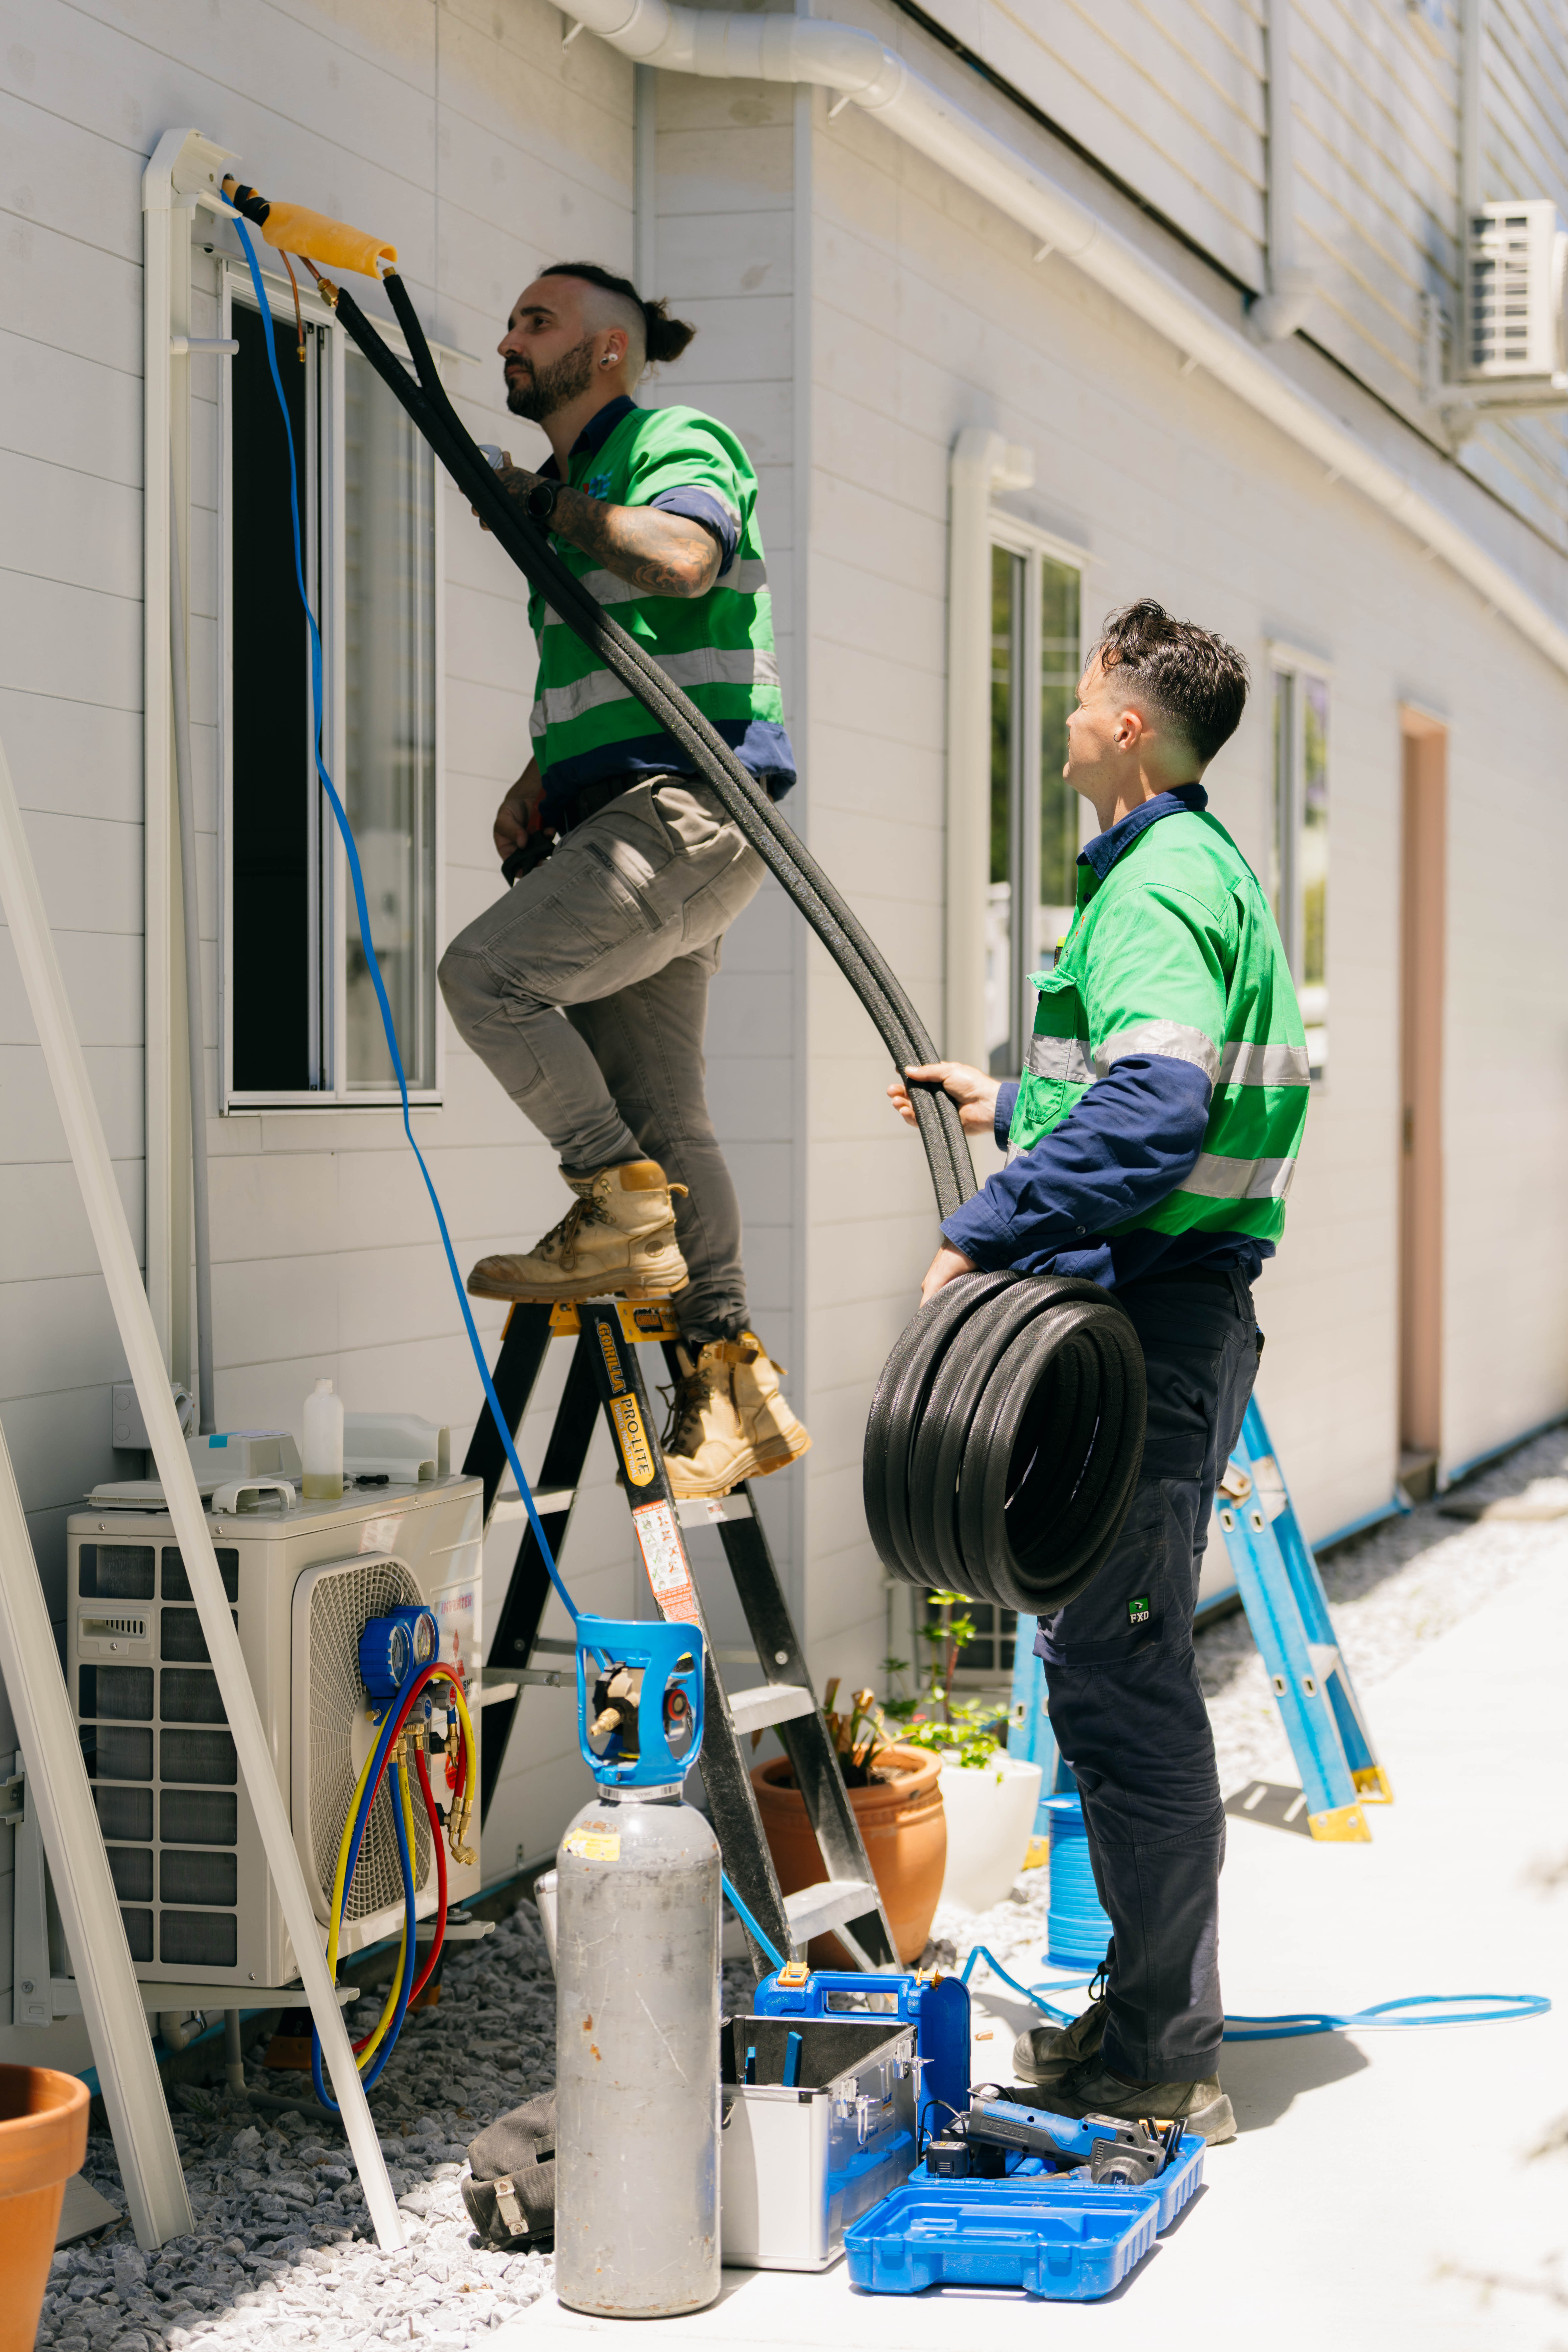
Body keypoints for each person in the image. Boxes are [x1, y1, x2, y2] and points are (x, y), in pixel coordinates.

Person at [887, 600, 1308, 2142]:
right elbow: (1118, 1094)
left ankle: (1164, 2057)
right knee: (1107, 1667)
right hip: (1172, 1311)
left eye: (1077, 699)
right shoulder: (1200, 874)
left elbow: (1153, 1119)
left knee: (1125, 1684)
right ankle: (1141, 2021)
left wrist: (978, 1236)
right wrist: (1006, 1101)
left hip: (1150, 1317)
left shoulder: (1153, 885)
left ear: (1128, 725)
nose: (1063, 720)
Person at [440, 263, 809, 1502]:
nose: (509, 336)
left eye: (533, 320)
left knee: (485, 976)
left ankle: (613, 1204)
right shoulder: (585, 476)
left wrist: (552, 509)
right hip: (638, 813)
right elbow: (622, 666)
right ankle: (730, 1386)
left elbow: (687, 561)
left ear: (607, 352)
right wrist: (544, 771)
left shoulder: (668, 441)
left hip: (686, 813)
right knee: (668, 1111)